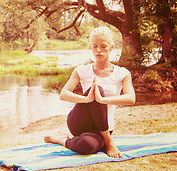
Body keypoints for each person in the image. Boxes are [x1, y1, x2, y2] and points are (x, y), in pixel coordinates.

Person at [44, 26, 136, 158]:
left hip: (103, 127)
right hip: (80, 122)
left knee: (88, 145)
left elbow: (131, 98)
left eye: (104, 46)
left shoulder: (122, 73)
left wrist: (103, 100)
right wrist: (86, 99)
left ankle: (60, 140)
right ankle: (108, 141)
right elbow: (63, 94)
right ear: (91, 47)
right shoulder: (81, 70)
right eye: (95, 46)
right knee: (96, 90)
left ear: (111, 47)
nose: (99, 50)